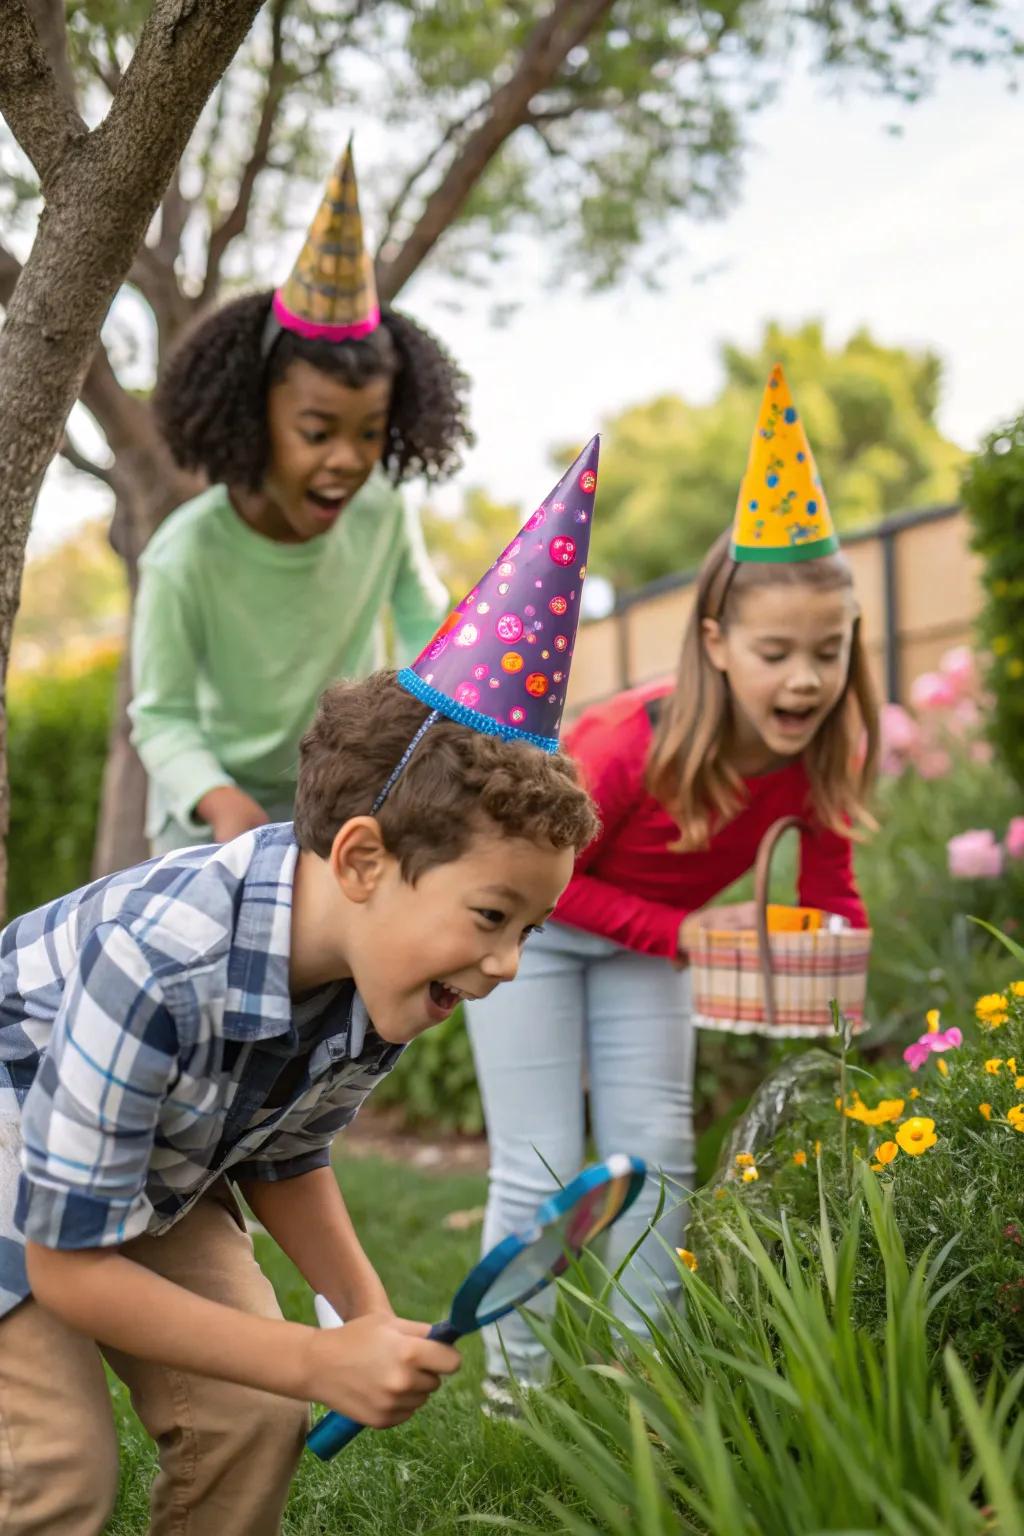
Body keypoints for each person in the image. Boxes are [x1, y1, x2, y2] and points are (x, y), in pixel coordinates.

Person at [0, 441, 602, 1536]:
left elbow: (285, 1149)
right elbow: (70, 1267)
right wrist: (316, 1358)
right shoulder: (160, 961)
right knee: (55, 1466)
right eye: (490, 917)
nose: (507, 962)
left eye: (530, 929)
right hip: (12, 1165)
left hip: (143, 1169)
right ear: (364, 859)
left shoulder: (387, 969)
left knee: (253, 1416)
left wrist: (364, 1316)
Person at [466, 365, 879, 1403]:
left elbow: (833, 891)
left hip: (648, 946)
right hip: (531, 931)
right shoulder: (627, 744)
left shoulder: (824, 753)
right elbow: (533, 885)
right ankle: (515, 1392)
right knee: (540, 1159)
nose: (805, 679)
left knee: (655, 1154)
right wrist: (689, 936)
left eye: (827, 652)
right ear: (716, 643)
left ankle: (649, 1376)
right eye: (776, 652)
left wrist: (837, 988)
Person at [131, 141, 470, 853]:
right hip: (213, 817)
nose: (347, 460)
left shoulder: (383, 509)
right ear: (257, 420)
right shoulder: (185, 554)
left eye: (369, 433)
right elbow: (161, 717)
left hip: (340, 793)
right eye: (317, 432)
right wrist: (220, 800)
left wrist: (429, 718)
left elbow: (424, 623)